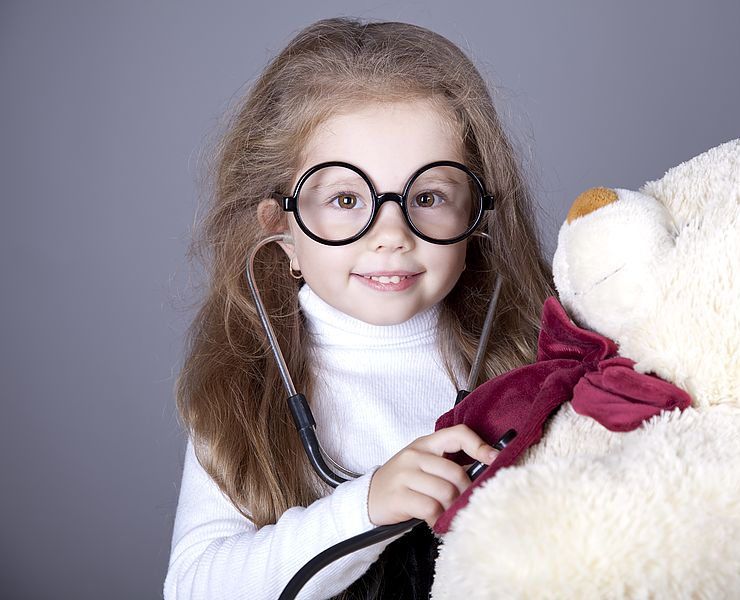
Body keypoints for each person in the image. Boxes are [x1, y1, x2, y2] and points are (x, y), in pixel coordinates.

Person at [164, 16, 554, 600]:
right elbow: (194, 589)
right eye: (347, 198)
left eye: (428, 196)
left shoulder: (533, 365)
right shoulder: (245, 395)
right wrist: (365, 508)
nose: (392, 232)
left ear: (476, 215)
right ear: (284, 230)